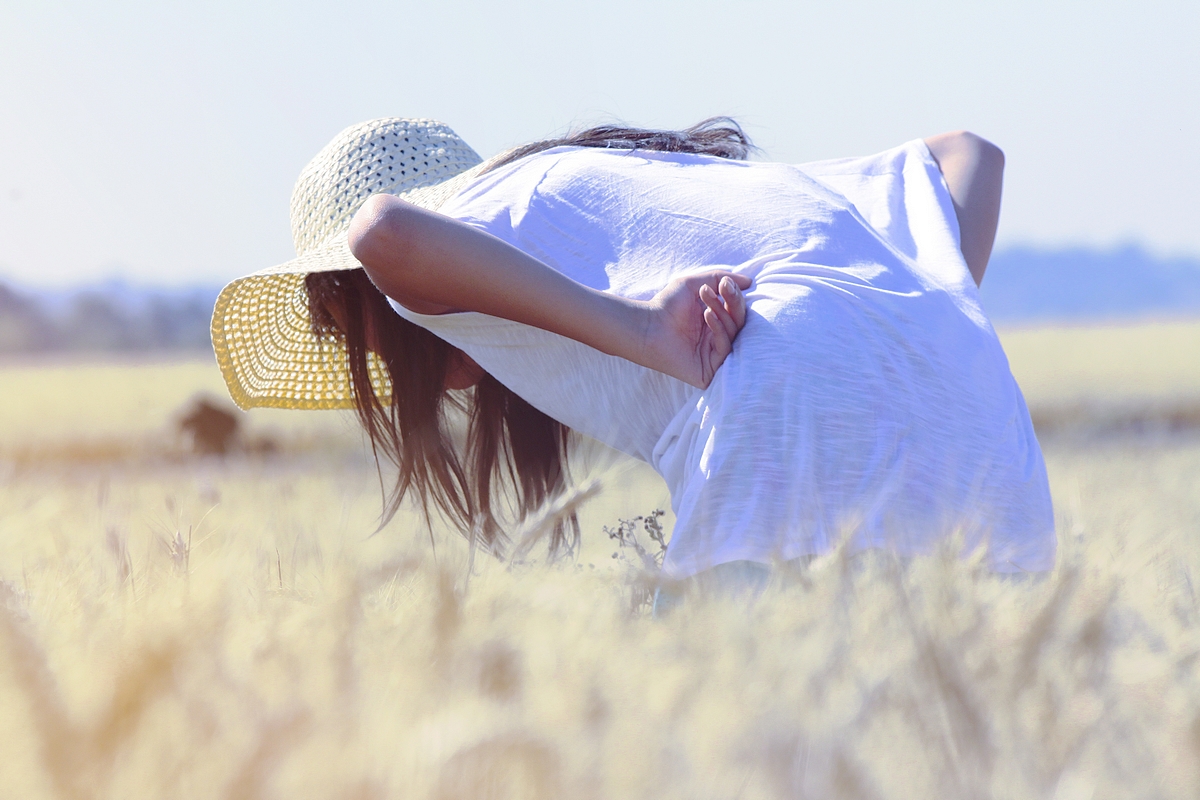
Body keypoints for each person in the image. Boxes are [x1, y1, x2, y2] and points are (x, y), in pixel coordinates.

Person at [211, 116, 1055, 590]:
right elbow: (972, 152)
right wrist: (927, 319)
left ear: (354, 303)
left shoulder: (448, 239)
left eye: (340, 333)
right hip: (990, 442)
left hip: (785, 421)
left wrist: (643, 328)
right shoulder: (621, 192)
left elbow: (381, 232)